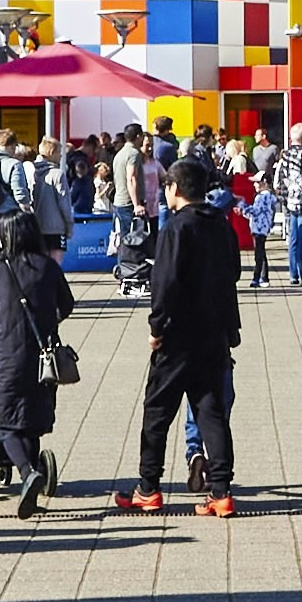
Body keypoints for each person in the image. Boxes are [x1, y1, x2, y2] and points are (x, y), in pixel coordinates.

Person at [120, 156, 247, 517]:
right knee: (211, 411)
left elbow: (165, 282)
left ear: (175, 189)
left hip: (178, 336)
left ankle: (148, 488)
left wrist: (157, 327)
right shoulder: (221, 225)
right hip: (214, 333)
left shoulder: (176, 228)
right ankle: (220, 491)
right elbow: (234, 273)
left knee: (157, 412)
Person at [0, 201, 78, 516]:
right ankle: (31, 479)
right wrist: (49, 319)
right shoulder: (48, 266)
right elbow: (68, 304)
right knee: (33, 415)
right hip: (43, 352)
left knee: (4, 418)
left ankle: (27, 473)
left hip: (7, 352)